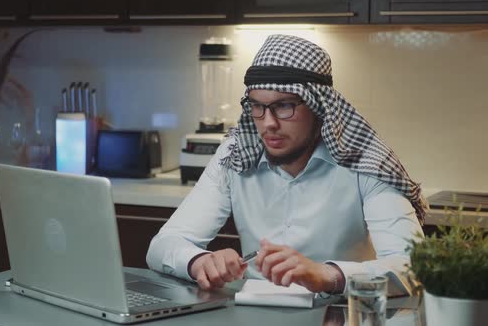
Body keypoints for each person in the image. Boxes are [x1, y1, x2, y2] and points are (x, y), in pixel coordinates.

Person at [146, 34, 426, 295]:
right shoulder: (235, 155)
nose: (268, 123)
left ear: (318, 108)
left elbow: (414, 266)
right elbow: (163, 245)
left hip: (339, 314)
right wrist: (199, 261)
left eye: (284, 106)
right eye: (257, 106)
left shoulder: (364, 162)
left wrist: (326, 274)